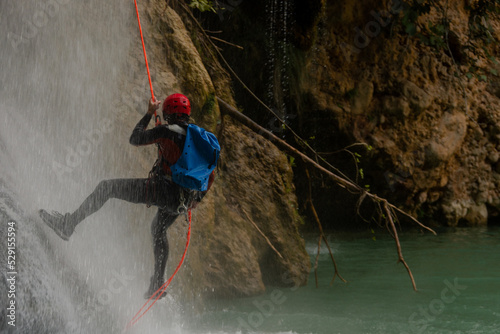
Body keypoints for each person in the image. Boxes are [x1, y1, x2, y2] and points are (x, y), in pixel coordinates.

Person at [39, 93, 214, 299]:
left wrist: (149, 114)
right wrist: (197, 199)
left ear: (167, 113)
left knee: (107, 188)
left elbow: (135, 138)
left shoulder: (166, 132)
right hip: (183, 201)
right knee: (158, 229)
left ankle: (68, 225)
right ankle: (158, 283)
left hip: (163, 192)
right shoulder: (201, 139)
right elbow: (210, 175)